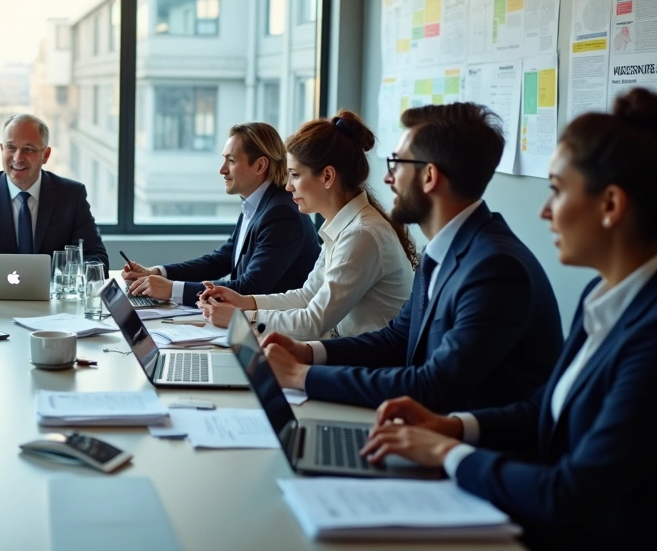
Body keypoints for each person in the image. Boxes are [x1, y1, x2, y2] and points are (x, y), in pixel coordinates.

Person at [359, 90, 657, 550]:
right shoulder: (602, 297)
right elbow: (546, 407)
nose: (543, 210)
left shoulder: (649, 333)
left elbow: (571, 493)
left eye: (556, 190)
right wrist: (454, 427)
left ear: (611, 205)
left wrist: (448, 453)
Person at [255, 103, 562, 413]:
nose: (389, 179)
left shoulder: (494, 268)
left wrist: (301, 375)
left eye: (397, 164)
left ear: (429, 176)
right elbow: (395, 340)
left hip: (473, 446)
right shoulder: (442, 250)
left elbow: (433, 385)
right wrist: (308, 354)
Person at [198, 111, 416, 339]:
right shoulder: (345, 226)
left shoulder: (362, 234)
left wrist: (239, 317)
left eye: (294, 175)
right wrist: (244, 302)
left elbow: (312, 322)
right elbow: (307, 295)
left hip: (370, 366)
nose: (288, 186)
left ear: (327, 176)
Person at [123, 122, 320, 304]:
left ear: (260, 165)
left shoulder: (281, 214)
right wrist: (158, 273)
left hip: (277, 332)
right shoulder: (258, 204)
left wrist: (171, 289)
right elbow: (221, 260)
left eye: (231, 161)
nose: (222, 170)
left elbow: (250, 288)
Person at [0, 113, 108, 274]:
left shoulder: (72, 195)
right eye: (11, 148)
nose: (18, 158)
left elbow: (97, 258)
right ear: (2, 149)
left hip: (53, 300)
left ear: (46, 155)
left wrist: (73, 276)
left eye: (28, 149)